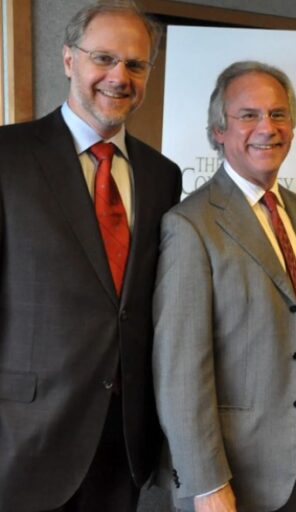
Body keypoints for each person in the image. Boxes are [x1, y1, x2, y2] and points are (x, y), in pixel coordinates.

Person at [0, 1, 181, 511]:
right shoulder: (8, 157)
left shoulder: (161, 175)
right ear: (68, 60)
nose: (118, 77)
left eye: (135, 64)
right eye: (103, 58)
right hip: (22, 437)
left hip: (121, 439)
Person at [152, 60, 296, 512]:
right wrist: (204, 483)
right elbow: (180, 371)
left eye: (278, 114)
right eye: (248, 115)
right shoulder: (190, 225)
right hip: (226, 470)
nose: (267, 127)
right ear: (218, 131)